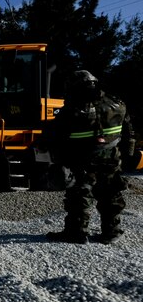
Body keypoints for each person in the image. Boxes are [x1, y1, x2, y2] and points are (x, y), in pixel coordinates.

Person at [46, 70, 135, 245]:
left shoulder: (71, 109)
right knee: (110, 193)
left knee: (80, 195)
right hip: (111, 157)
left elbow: (55, 137)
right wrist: (127, 156)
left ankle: (77, 232)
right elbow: (129, 133)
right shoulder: (118, 104)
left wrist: (58, 162)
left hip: (81, 158)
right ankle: (111, 232)